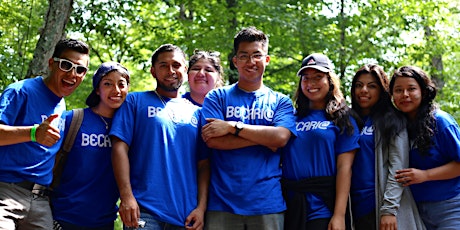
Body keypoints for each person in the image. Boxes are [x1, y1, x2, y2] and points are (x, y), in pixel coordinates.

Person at [201, 26, 296, 230]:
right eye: (244, 56)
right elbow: (213, 140)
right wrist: (264, 137)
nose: (250, 62)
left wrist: (231, 127)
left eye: (257, 55)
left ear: (267, 60)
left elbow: (280, 138)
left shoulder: (281, 101)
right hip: (221, 203)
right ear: (235, 61)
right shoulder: (217, 97)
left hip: (267, 204)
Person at [110, 44, 209, 230]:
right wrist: (126, 196)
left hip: (186, 216)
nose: (171, 70)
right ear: (153, 71)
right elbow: (119, 147)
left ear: (185, 69)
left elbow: (203, 164)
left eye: (176, 65)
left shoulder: (198, 113)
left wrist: (201, 208)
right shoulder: (135, 101)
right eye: (163, 65)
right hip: (143, 211)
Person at [0, 38, 90, 229]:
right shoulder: (20, 91)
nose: (72, 74)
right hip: (6, 192)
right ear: (51, 63)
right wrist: (33, 133)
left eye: (80, 69)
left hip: (41, 202)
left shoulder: (61, 104)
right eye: (66, 65)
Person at [281, 53, 359, 230]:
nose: (311, 83)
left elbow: (344, 168)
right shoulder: (290, 118)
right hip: (290, 205)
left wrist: (339, 215)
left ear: (330, 81)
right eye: (306, 78)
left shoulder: (342, 118)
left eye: (318, 77)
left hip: (323, 206)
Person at [50, 62, 130, 229]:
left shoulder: (130, 127)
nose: (116, 90)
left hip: (104, 222)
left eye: (121, 84)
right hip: (63, 218)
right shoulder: (73, 119)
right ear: (97, 89)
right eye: (107, 84)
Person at [349, 64, 425, 230]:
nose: (364, 90)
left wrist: (389, 209)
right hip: (353, 205)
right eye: (359, 85)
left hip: (380, 203)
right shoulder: (348, 120)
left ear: (382, 90)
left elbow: (398, 166)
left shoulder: (393, 120)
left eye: (371, 86)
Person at [390, 66, 460, 230]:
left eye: (411, 89)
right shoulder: (399, 127)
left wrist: (425, 175)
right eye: (398, 90)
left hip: (451, 207)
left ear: (423, 91)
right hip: (416, 212)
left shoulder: (440, 121)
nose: (405, 95)